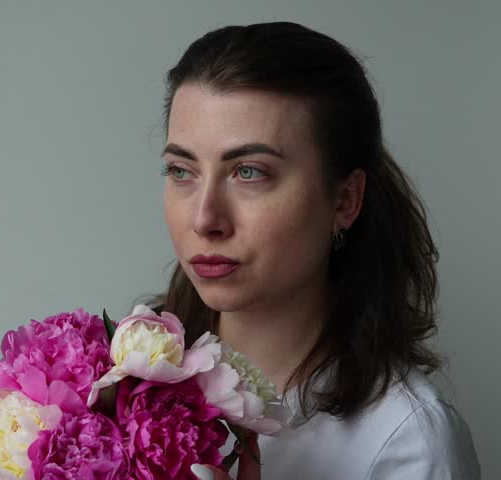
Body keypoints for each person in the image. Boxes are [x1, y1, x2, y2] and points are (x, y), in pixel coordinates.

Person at [143, 21, 481, 479]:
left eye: (249, 172)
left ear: (344, 200)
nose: (204, 219)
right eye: (182, 171)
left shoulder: (408, 442)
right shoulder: (120, 381)